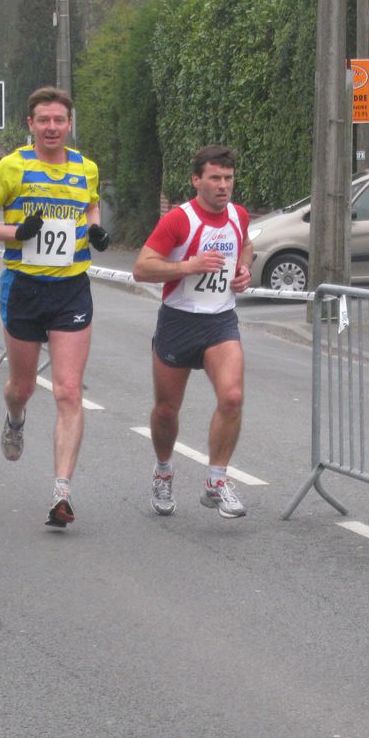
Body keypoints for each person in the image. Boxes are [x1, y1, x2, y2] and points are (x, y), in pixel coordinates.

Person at [0, 85, 109, 528]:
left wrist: (96, 231)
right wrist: (16, 233)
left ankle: (61, 493)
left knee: (69, 390)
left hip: (71, 289)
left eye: (60, 120)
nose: (52, 128)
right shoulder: (12, 167)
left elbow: (90, 211)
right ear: (30, 125)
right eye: (44, 121)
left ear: (70, 124)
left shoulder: (86, 168)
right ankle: (15, 418)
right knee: (23, 386)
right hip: (24, 288)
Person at [132, 145, 253, 519]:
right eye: (215, 178)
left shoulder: (238, 215)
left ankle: (217, 480)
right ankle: (164, 470)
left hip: (220, 321)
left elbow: (246, 245)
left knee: (231, 397)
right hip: (178, 321)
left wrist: (243, 271)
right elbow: (142, 268)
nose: (223, 186)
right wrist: (188, 266)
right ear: (196, 180)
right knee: (167, 410)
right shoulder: (179, 221)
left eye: (228, 178)